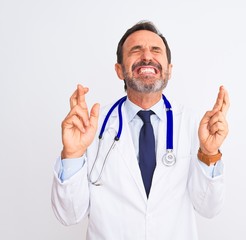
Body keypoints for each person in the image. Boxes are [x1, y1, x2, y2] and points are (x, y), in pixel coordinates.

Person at [51, 20, 230, 240]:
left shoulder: (195, 124)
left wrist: (209, 154)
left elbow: (209, 208)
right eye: (136, 50)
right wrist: (72, 154)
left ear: (169, 70)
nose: (147, 56)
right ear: (119, 70)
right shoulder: (91, 128)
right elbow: (69, 215)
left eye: (156, 50)